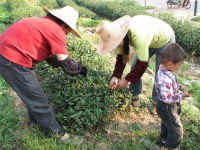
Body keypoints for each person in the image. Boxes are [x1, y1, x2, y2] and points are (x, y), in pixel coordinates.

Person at [0, 6, 87, 141]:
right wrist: (81, 70)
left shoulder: (40, 22)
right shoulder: (56, 30)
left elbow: (47, 54)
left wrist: (60, 62)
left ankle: (37, 122)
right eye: (69, 29)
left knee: (31, 94)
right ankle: (58, 135)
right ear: (64, 24)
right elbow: (69, 67)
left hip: (6, 56)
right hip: (13, 61)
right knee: (39, 100)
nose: (68, 33)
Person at [95, 15, 175, 109]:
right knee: (134, 67)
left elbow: (143, 64)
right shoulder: (120, 36)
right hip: (149, 38)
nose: (115, 43)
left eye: (115, 41)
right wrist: (116, 76)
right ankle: (134, 95)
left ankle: (157, 103)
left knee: (161, 75)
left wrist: (126, 80)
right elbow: (121, 58)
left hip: (164, 39)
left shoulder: (137, 35)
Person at [155, 43, 191, 150]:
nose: (180, 66)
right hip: (166, 106)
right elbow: (167, 98)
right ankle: (172, 147)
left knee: (167, 123)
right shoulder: (163, 79)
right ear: (170, 64)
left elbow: (173, 82)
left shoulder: (167, 70)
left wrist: (180, 86)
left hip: (169, 105)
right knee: (176, 130)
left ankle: (163, 140)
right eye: (179, 64)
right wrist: (182, 95)